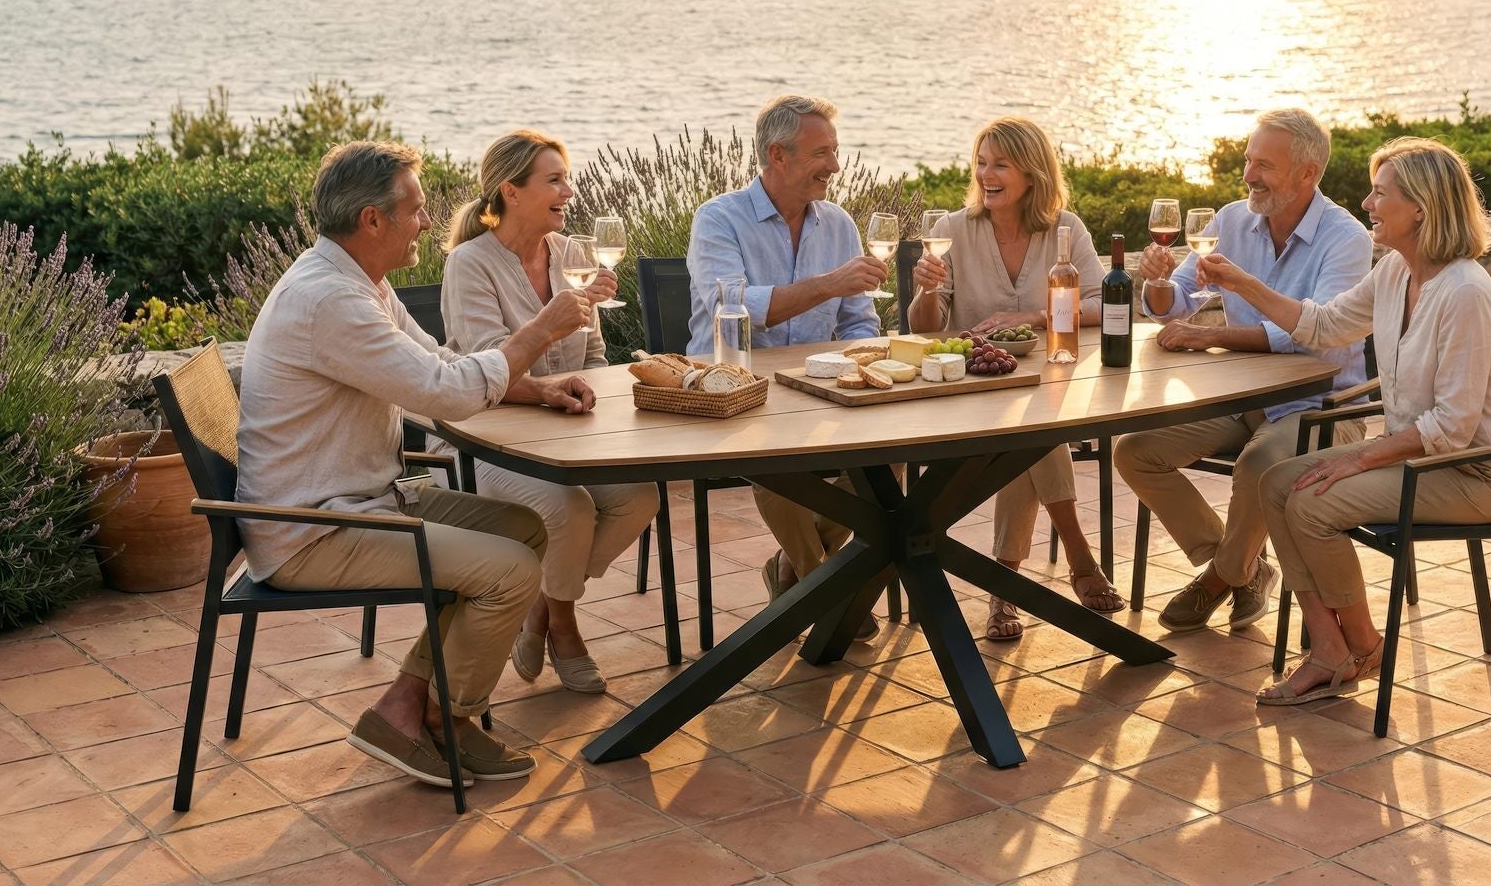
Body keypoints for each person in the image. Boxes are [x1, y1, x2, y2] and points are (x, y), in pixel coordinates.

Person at [238, 139, 597, 788]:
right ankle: (447, 722)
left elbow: (439, 369)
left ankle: (408, 705)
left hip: (361, 497)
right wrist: (542, 331)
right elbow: (448, 394)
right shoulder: (332, 302)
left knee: (525, 529)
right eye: (417, 210)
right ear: (372, 220)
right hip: (312, 528)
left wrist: (536, 387)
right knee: (511, 573)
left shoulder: (359, 282)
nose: (430, 223)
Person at [1197, 137, 1491, 705]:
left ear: (1418, 207)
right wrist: (1242, 283)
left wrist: (1358, 456)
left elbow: (1450, 425)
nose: (1368, 205)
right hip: (1422, 458)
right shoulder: (1398, 271)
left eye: (1380, 194)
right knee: (1276, 482)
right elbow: (1324, 325)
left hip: (1473, 473)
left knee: (1313, 501)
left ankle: (1365, 646)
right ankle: (1329, 649)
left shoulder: (1465, 293)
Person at [1111, 108, 1371, 631]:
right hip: (1243, 398)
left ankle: (1219, 578)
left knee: (1260, 466)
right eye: (1249, 160)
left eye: (1265, 165)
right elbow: (1176, 301)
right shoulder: (1231, 220)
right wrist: (1158, 281)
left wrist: (1212, 335)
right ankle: (1241, 567)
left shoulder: (1346, 238)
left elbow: (1316, 331)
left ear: (1307, 173)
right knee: (1136, 450)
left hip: (1323, 406)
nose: (1250, 174)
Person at [435, 129, 661, 694]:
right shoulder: (470, 265)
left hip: (566, 434)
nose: (569, 191)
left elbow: (593, 355)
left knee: (639, 496)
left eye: (568, 178)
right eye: (554, 180)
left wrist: (591, 376)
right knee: (569, 508)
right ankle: (564, 627)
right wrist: (547, 332)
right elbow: (484, 373)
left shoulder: (572, 256)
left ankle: (539, 607)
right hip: (488, 436)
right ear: (510, 191)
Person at [908, 116, 1125, 638]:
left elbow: (1105, 302)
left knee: (1031, 430)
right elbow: (924, 331)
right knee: (1036, 434)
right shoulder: (952, 231)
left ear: (1032, 172)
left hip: (1041, 385)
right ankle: (1078, 559)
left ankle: (1005, 588)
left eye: (1000, 164)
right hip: (965, 391)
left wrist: (1036, 317)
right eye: (981, 163)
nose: (987, 174)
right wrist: (925, 292)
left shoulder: (1064, 229)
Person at [686, 94, 888, 632]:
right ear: (779, 155)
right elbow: (735, 306)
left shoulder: (838, 223)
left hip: (816, 387)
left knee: (889, 462)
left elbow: (860, 322)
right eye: (823, 153)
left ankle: (796, 573)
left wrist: (864, 366)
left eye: (836, 151)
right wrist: (831, 283)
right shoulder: (718, 219)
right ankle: (823, 582)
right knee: (776, 465)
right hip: (734, 389)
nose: (837, 167)